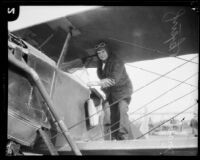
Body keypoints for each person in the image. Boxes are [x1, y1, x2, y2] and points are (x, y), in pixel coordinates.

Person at [86, 42, 134, 140]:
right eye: (99, 53)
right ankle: (112, 137)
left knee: (122, 109)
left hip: (123, 92)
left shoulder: (117, 62)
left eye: (103, 52)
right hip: (111, 94)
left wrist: (94, 83)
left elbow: (113, 80)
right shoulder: (100, 65)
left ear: (107, 51)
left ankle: (123, 137)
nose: (101, 55)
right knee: (111, 114)